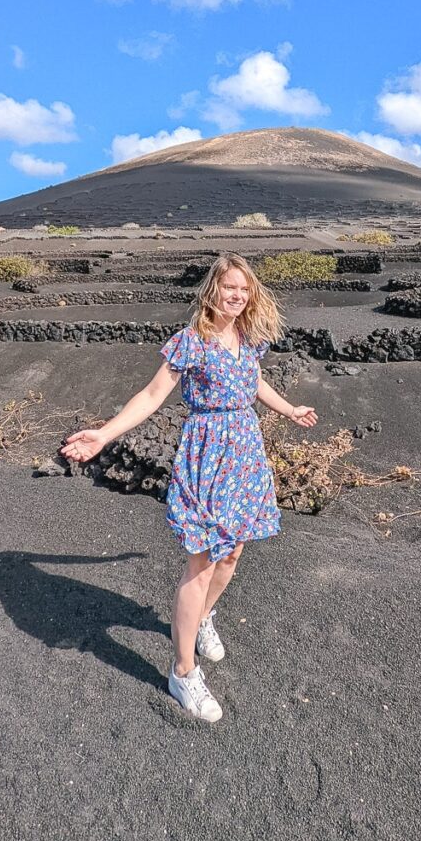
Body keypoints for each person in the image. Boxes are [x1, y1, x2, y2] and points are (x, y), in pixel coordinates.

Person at [60, 252, 318, 722]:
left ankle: (202, 620)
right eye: (229, 287)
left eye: (244, 289)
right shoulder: (191, 341)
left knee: (234, 551)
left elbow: (254, 381)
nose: (237, 296)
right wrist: (104, 433)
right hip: (206, 454)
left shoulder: (248, 337)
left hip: (244, 452)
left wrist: (289, 409)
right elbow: (153, 395)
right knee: (201, 563)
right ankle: (183, 672)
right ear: (212, 290)